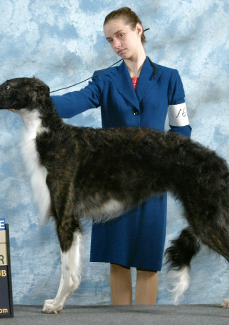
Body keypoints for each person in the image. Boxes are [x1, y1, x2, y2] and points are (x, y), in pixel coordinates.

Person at [51, 7, 191, 305]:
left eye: (120, 35)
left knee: (148, 257)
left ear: (138, 30)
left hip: (153, 179)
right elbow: (74, 102)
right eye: (109, 39)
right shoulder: (104, 79)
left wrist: (169, 163)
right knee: (118, 257)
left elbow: (181, 128)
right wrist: (34, 100)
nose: (116, 43)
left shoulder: (169, 78)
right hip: (110, 181)